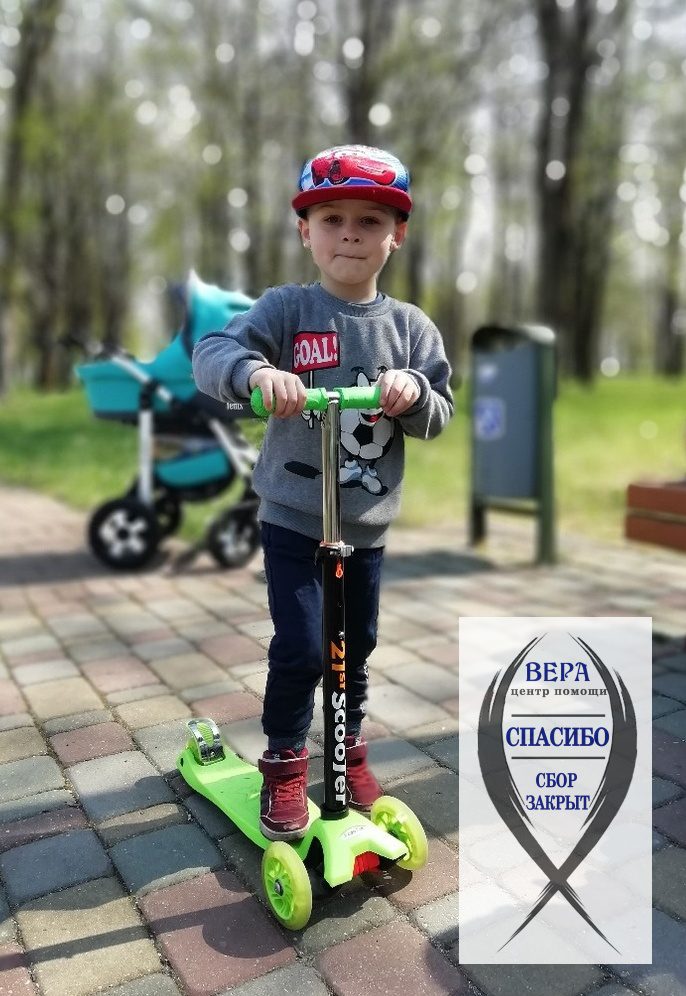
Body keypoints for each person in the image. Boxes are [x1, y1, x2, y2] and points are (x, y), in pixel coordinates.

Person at [192, 144, 454, 841]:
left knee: (354, 647)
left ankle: (347, 751)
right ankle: (284, 761)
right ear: (305, 231)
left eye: (370, 221)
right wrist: (256, 374)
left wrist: (414, 391)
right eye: (332, 219)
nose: (350, 235)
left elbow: (439, 412)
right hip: (293, 517)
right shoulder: (287, 309)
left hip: (365, 523)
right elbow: (213, 352)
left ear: (397, 235)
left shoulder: (410, 329)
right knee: (305, 648)